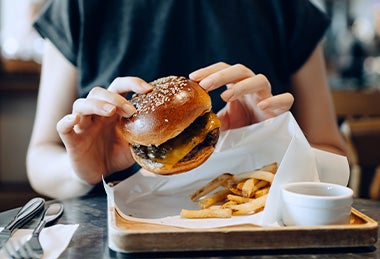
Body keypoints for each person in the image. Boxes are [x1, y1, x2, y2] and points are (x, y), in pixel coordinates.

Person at [27, 0, 346, 199]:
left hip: (256, 231)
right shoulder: (77, 6)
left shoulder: (286, 7)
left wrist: (279, 140)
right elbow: (40, 157)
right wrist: (80, 171)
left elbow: (337, 159)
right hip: (114, 235)